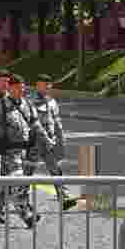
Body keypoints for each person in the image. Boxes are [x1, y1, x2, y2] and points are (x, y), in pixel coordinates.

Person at [0, 73, 54, 228]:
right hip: (7, 153)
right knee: (18, 183)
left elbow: (36, 125)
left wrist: (46, 140)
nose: (21, 91)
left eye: (23, 88)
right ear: (9, 88)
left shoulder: (27, 105)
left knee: (7, 185)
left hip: (24, 153)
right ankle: (27, 215)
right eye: (18, 89)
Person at [24, 74, 78, 210]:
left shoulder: (52, 102)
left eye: (48, 85)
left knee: (56, 169)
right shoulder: (28, 101)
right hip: (34, 142)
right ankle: (22, 200)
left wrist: (61, 139)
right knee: (28, 172)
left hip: (50, 142)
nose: (46, 87)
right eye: (43, 84)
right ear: (37, 85)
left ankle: (64, 197)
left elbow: (56, 121)